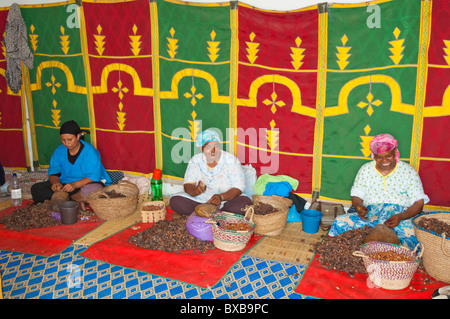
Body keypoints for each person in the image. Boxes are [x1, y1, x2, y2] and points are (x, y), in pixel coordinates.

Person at [329, 133, 429, 250]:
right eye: (379, 157)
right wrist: (359, 207)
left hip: (400, 217)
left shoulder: (408, 171)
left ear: (395, 151)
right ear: (373, 155)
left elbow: (418, 203)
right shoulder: (366, 169)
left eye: (388, 156)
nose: (384, 161)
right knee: (341, 222)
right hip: (372, 215)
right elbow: (357, 195)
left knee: (416, 233)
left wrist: (401, 216)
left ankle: (387, 252)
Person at [31, 120, 111, 209]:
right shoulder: (59, 151)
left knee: (95, 190)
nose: (67, 143)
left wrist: (74, 185)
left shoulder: (90, 151)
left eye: (70, 139)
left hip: (84, 185)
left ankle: (65, 200)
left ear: (78, 136)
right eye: (63, 140)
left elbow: (94, 176)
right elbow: (54, 173)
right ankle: (73, 201)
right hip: (64, 186)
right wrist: (56, 183)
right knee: (36, 189)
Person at [169, 129, 252, 215]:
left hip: (226, 201)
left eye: (216, 146)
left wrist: (221, 197)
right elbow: (188, 185)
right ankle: (210, 213)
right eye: (208, 147)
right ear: (201, 148)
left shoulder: (231, 160)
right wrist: (195, 191)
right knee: (176, 201)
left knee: (243, 204)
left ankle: (205, 215)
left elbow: (238, 187)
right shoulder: (196, 160)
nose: (213, 151)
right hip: (201, 201)